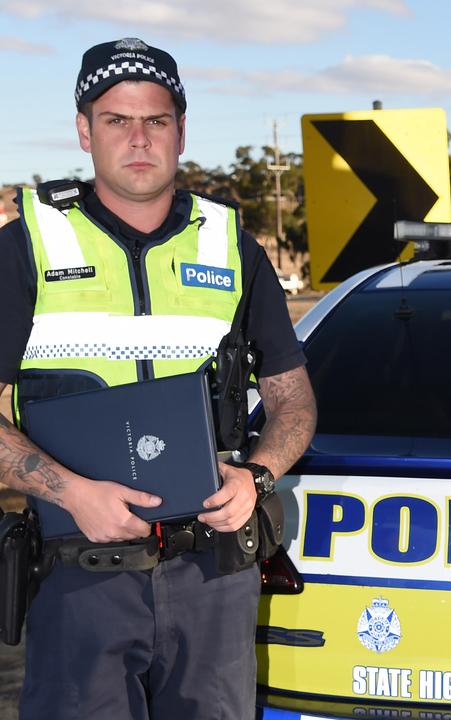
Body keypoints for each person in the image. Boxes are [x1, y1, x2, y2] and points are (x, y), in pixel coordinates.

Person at [0, 38, 317, 718]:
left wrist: (255, 476)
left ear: (180, 130)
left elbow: (293, 403)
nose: (138, 139)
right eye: (117, 120)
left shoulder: (231, 244)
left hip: (213, 576)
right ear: (84, 131)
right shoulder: (27, 242)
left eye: (156, 120)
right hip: (79, 577)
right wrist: (71, 492)